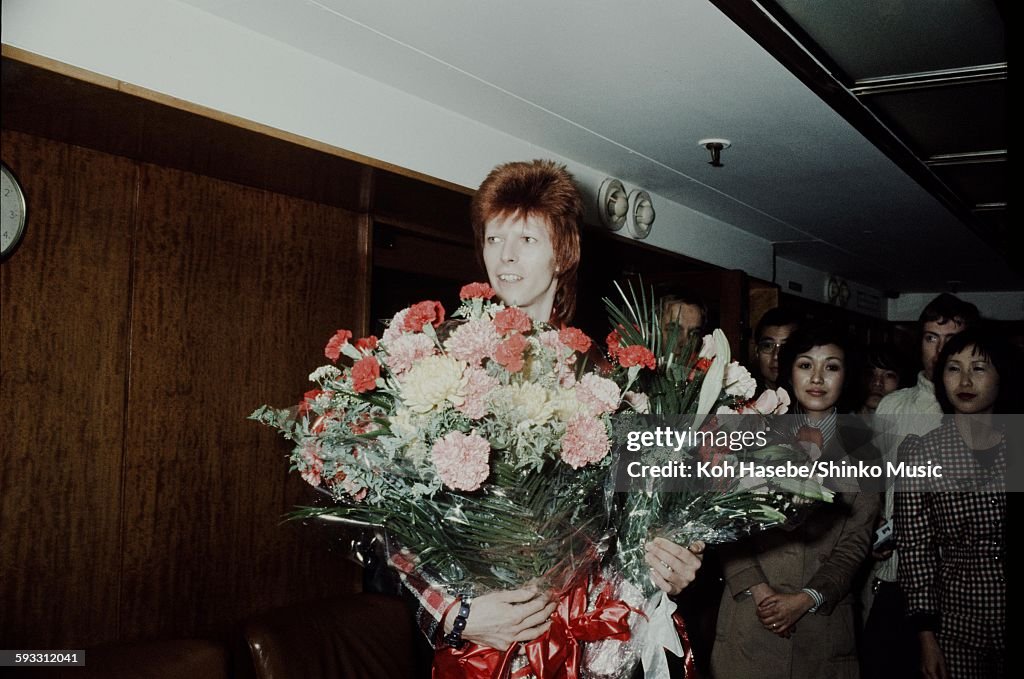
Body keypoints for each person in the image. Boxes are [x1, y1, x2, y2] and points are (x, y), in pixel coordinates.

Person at [401, 160, 703, 673]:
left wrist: (674, 551)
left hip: (590, 635)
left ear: (563, 252)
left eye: (526, 240)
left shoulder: (605, 378)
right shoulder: (441, 362)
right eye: (494, 239)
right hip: (486, 647)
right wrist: (455, 612)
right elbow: (397, 515)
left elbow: (636, 511)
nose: (506, 257)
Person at [711, 322, 879, 679]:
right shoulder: (752, 432)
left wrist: (807, 597)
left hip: (821, 627)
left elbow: (856, 540)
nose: (817, 378)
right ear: (789, 371)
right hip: (750, 617)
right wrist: (759, 592)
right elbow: (723, 523)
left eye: (831, 366)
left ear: (846, 375)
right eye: (805, 365)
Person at [861, 293, 980, 678]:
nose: (941, 348)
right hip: (894, 576)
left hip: (961, 586)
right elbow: (873, 484)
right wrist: (872, 529)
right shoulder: (893, 406)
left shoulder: (987, 410)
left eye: (953, 338)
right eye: (932, 337)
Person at [894, 328, 1015, 679]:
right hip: (955, 618)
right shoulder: (921, 451)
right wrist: (926, 636)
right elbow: (915, 550)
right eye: (953, 368)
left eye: (978, 368)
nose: (964, 380)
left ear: (1001, 375)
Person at [752, 307, 803, 392]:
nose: (776, 356)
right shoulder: (741, 397)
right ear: (757, 351)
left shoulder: (811, 400)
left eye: (786, 346)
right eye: (768, 346)